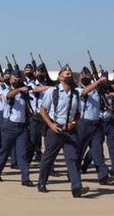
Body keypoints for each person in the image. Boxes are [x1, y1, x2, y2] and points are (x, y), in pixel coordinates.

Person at [37, 65, 88, 197]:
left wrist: (73, 124)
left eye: (70, 74)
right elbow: (42, 110)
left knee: (73, 158)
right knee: (49, 158)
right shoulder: (52, 92)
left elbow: (78, 113)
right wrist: (51, 125)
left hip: (70, 131)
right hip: (55, 129)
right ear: (60, 77)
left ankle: (77, 187)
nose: (68, 76)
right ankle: (42, 182)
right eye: (66, 74)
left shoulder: (76, 93)